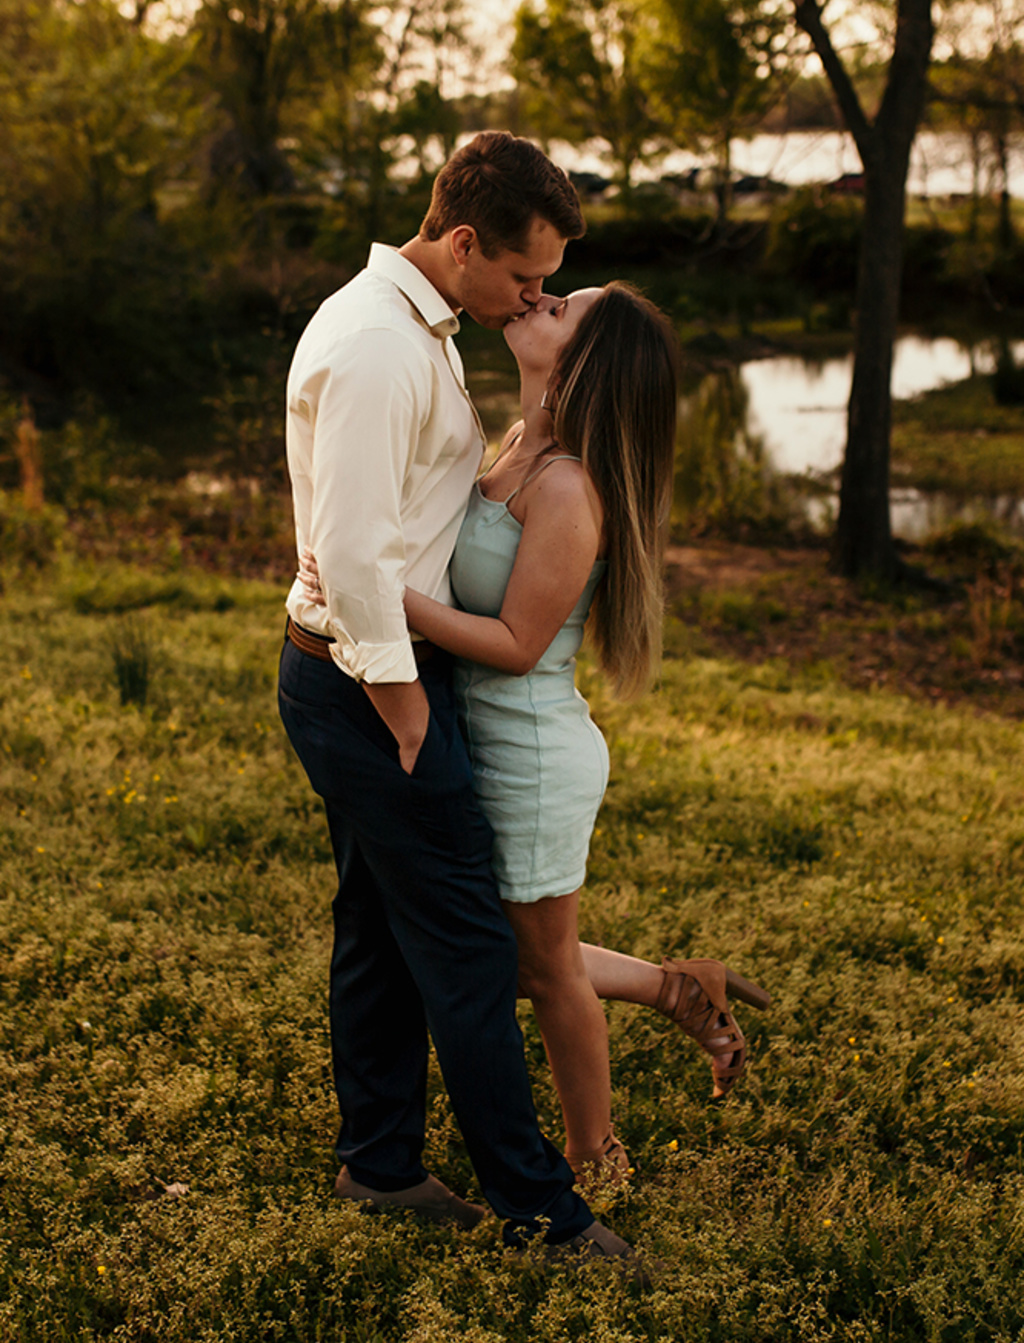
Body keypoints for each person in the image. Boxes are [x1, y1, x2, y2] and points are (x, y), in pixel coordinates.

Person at [300, 279, 771, 1193]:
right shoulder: (516, 445)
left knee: (537, 969)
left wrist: (383, 594)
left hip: (532, 752)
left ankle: (597, 1160)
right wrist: (358, 553)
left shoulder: (568, 488)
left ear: (583, 361)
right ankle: (680, 987)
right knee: (491, 949)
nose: (539, 298)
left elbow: (518, 648)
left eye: (563, 308)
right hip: (482, 733)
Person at [277, 130, 637, 1264]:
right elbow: (347, 544)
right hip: (366, 682)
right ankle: (543, 1211)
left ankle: (379, 1163)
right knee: (472, 947)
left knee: (379, 929)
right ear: (465, 241)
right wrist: (403, 703)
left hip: (363, 668)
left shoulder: (412, 324)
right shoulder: (384, 346)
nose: (534, 295)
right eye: (526, 276)